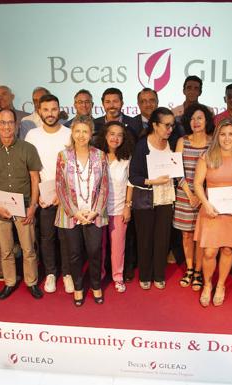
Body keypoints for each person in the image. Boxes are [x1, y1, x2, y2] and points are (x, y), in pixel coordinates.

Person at [0, 109, 43, 300]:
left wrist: (33, 206)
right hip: (0, 210)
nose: (6, 127)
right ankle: (9, 282)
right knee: (5, 250)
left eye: (10, 123)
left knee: (28, 249)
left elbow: (34, 179)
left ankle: (31, 282)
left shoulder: (28, 149)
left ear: (16, 125)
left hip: (24, 207)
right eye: (2, 123)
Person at [193, 118, 232, 307]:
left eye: (231, 134)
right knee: (210, 252)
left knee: (228, 249)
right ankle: (208, 284)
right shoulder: (207, 156)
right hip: (212, 211)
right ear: (217, 136)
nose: (227, 138)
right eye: (223, 134)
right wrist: (206, 204)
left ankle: (220, 285)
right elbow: (197, 184)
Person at [55, 115, 109, 305]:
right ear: (72, 132)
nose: (81, 135)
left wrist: (95, 211)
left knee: (94, 251)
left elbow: (104, 186)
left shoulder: (100, 155)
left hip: (94, 213)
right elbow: (60, 187)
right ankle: (78, 288)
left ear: (91, 133)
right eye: (77, 131)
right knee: (74, 253)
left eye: (85, 131)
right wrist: (74, 211)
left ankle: (95, 286)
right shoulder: (63, 156)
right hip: (71, 215)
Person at [25, 94, 72, 294]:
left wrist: (61, 195)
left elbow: (73, 167)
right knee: (47, 237)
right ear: (39, 111)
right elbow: (29, 169)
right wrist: (38, 198)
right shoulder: (32, 135)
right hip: (44, 196)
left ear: (59, 109)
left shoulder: (69, 134)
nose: (50, 114)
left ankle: (68, 273)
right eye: (46, 110)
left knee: (66, 237)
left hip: (67, 195)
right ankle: (51, 273)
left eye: (54, 109)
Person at [129, 107, 177, 290]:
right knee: (145, 239)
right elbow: (133, 176)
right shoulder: (142, 145)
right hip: (145, 199)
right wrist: (151, 181)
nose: (170, 129)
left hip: (165, 199)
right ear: (155, 125)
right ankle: (145, 275)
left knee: (162, 239)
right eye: (166, 125)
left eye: (172, 125)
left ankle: (159, 274)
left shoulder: (172, 144)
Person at [173, 103, 213, 291]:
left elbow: (214, 173)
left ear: (206, 121)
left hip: (205, 198)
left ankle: (198, 271)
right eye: (192, 118)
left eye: (200, 118)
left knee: (201, 237)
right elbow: (176, 170)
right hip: (185, 195)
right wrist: (190, 194)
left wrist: (200, 196)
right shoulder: (183, 141)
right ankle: (189, 268)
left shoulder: (213, 143)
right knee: (187, 235)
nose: (196, 122)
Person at [95, 121, 134, 293]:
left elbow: (130, 183)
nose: (115, 138)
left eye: (119, 135)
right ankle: (100, 276)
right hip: (98, 210)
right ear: (105, 135)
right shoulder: (95, 156)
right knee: (98, 246)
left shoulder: (126, 158)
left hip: (119, 209)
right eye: (112, 134)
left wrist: (128, 206)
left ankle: (117, 277)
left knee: (118, 247)